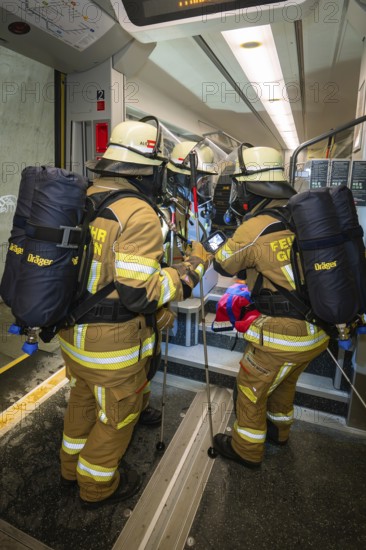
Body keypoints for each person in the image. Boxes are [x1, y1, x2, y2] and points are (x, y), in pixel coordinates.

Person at [58, 118, 211, 508]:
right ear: (148, 168)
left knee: (83, 400)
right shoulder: (137, 214)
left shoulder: (87, 198)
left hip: (72, 336)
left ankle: (68, 465)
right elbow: (140, 295)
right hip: (110, 349)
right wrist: (188, 271)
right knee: (118, 416)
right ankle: (95, 486)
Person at [212, 145, 330, 467]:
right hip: (317, 331)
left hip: (281, 335)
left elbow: (223, 264)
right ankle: (280, 432)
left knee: (251, 389)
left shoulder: (256, 226)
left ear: (249, 186)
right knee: (284, 383)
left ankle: (245, 450)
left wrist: (230, 234)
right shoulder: (304, 215)